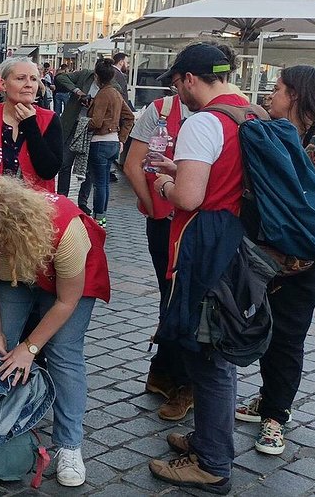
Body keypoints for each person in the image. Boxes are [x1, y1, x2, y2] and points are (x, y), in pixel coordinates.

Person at [0, 176, 110, 487]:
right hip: (18, 273)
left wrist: (29, 348)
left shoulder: (67, 230)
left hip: (68, 280)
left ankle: (69, 446)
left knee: (64, 353)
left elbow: (67, 301)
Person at [233, 66, 315, 455]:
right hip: (264, 252)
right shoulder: (279, 129)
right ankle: (268, 399)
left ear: (297, 94)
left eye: (279, 88)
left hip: (304, 259)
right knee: (266, 327)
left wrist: (300, 261)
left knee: (288, 335)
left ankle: (276, 416)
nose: (272, 93)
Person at [145, 42, 246, 493]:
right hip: (237, 244)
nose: (177, 92)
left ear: (189, 78)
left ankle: (212, 463)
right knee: (216, 349)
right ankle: (207, 438)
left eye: (177, 82)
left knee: (209, 355)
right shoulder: (250, 111)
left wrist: (166, 180)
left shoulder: (203, 121)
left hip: (204, 246)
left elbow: (189, 198)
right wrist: (183, 167)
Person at [123, 86, 194, 422]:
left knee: (186, 299)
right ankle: (174, 377)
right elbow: (132, 164)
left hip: (198, 220)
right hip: (167, 221)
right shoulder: (162, 110)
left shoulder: (231, 110)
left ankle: (168, 374)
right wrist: (153, 207)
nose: (180, 86)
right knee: (173, 296)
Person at [0, 57, 63, 193]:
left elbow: (48, 171)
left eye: (33, 79)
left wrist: (30, 125)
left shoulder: (49, 119)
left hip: (36, 209)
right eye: (21, 78)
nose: (29, 84)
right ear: (3, 84)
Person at [55, 62, 129, 197]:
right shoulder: (85, 75)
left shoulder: (112, 88)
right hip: (73, 125)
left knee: (89, 169)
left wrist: (121, 138)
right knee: (65, 164)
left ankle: (83, 201)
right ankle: (62, 197)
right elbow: (61, 78)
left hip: (93, 131)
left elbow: (122, 114)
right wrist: (77, 91)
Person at [76, 58, 135, 226]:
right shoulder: (116, 93)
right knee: (105, 183)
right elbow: (129, 116)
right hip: (113, 143)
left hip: (100, 143)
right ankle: (102, 215)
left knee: (99, 183)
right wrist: (121, 138)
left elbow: (96, 122)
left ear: (96, 76)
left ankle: (99, 217)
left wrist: (82, 122)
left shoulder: (103, 94)